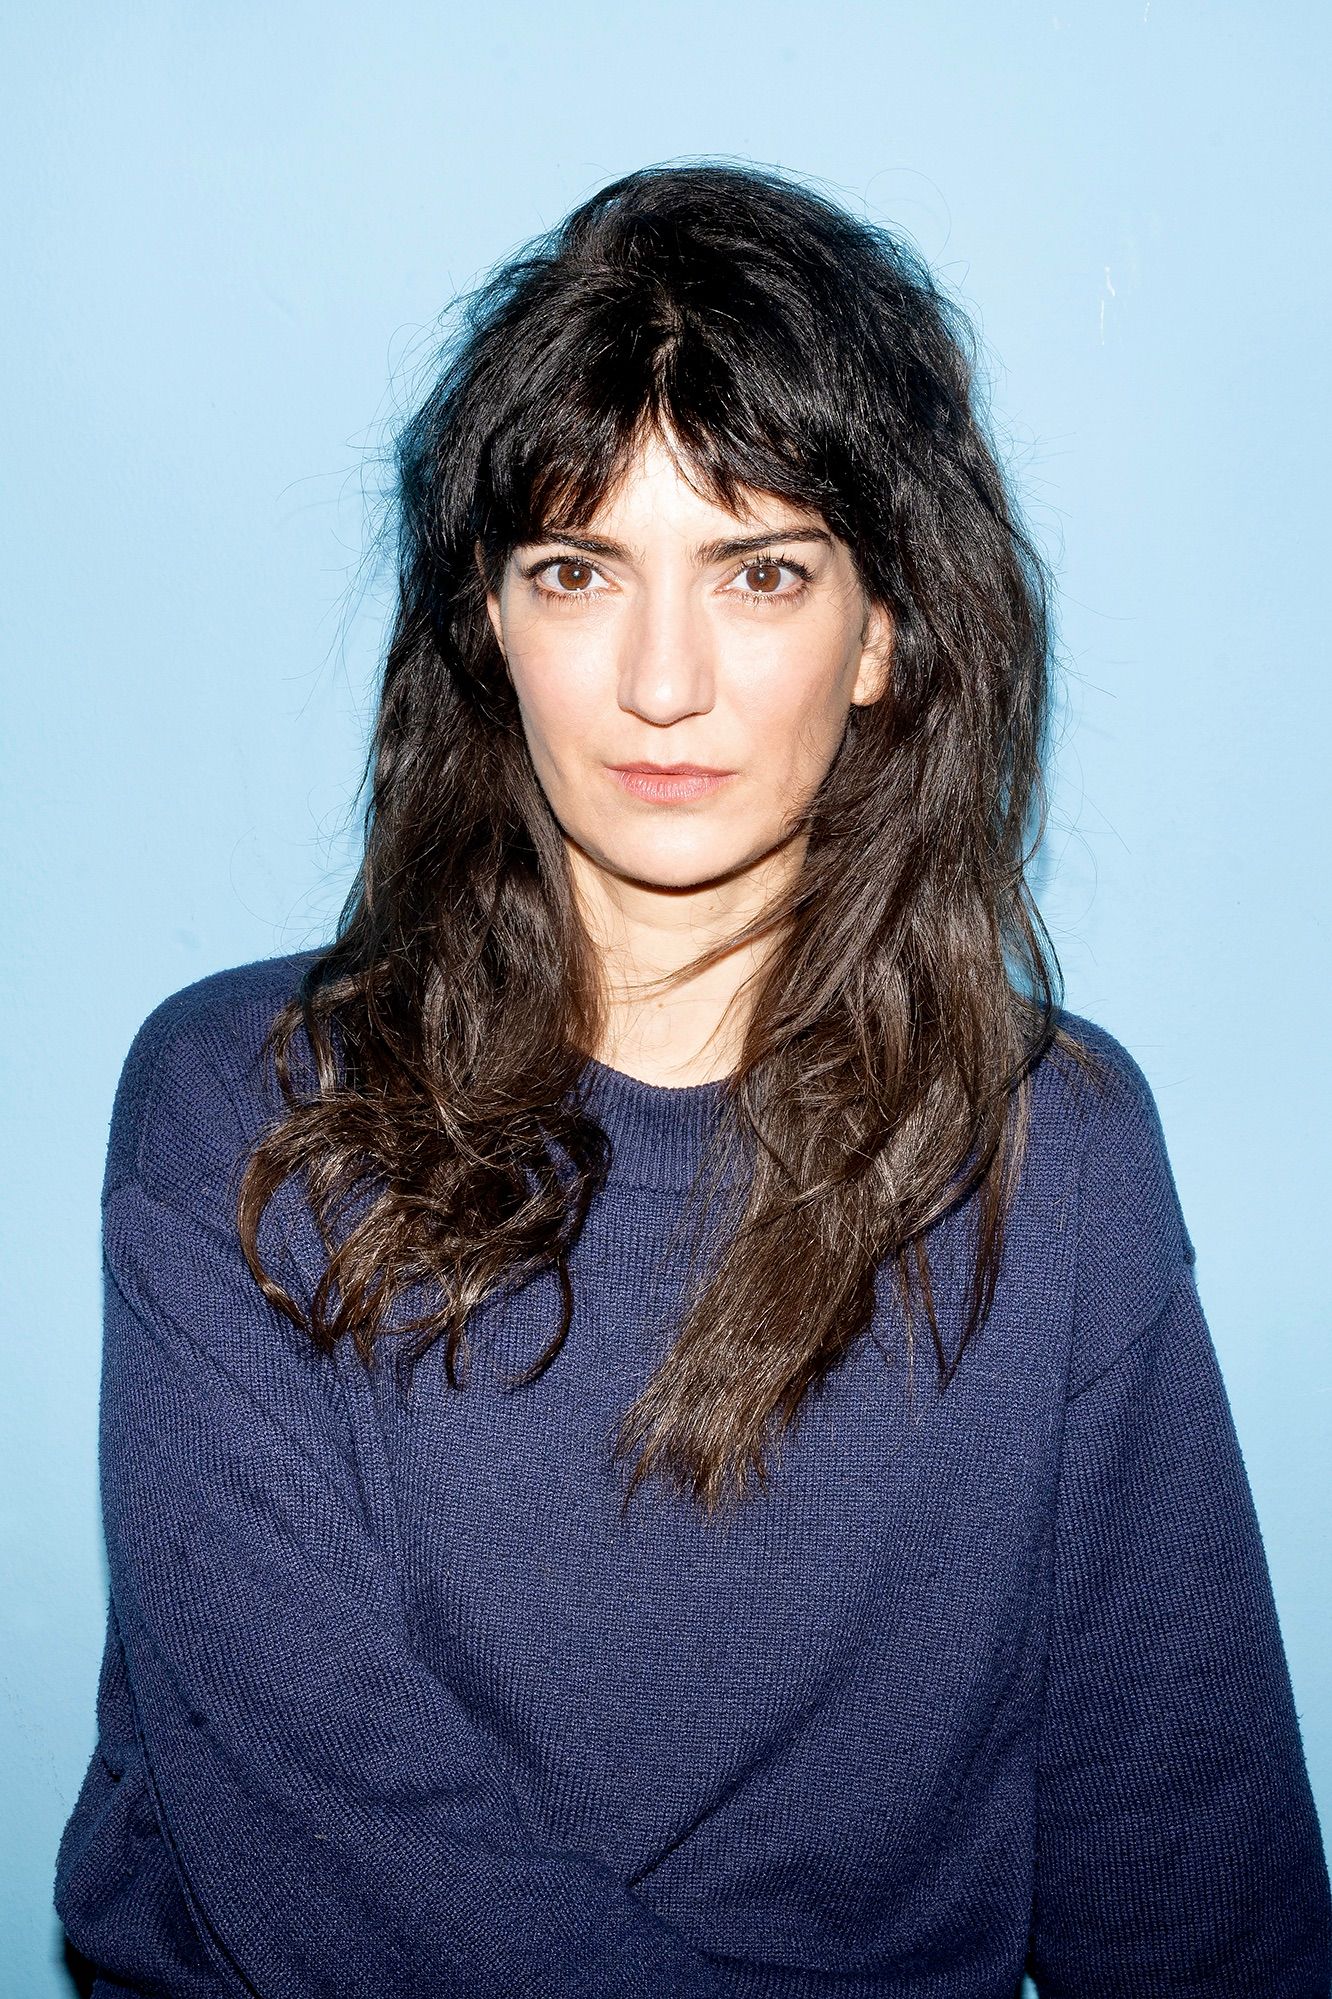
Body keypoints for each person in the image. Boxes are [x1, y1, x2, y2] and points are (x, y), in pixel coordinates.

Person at [54, 160, 1330, 1998]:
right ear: (490, 624)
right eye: (579, 571)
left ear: (884, 631)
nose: (664, 682)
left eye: (761, 571)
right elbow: (343, 1875)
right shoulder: (244, 1113)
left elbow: (1190, 1863)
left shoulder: (1049, 1151)